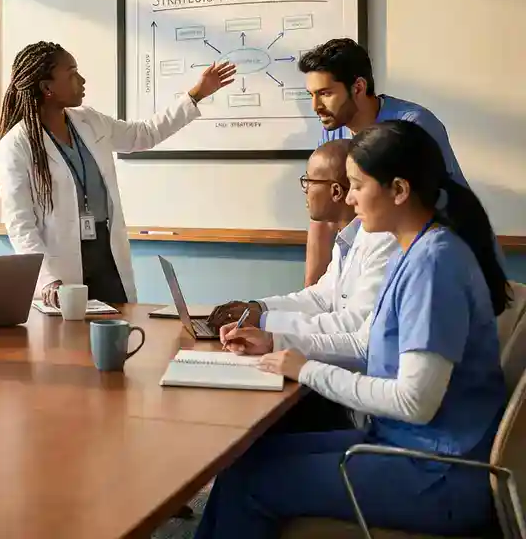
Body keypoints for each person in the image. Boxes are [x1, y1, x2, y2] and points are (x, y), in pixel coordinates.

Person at [196, 120, 510, 538]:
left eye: (358, 185)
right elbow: (369, 344)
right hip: (405, 448)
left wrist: (305, 369)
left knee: (255, 484)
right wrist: (275, 340)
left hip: (438, 473)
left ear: (398, 190)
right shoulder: (412, 250)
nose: (352, 198)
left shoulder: (434, 265)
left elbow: (416, 402)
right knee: (242, 461)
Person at [0, 41, 235, 307]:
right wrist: (47, 280)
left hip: (105, 252)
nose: (82, 80)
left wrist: (196, 95)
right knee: (69, 344)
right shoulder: (16, 145)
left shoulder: (88, 120)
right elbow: (20, 224)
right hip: (60, 266)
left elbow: (143, 134)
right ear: (47, 88)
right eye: (72, 74)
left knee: (117, 331)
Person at [299, 38, 469, 288]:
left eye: (325, 93)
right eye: (311, 95)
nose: (316, 106)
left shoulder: (413, 126)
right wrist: (312, 290)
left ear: (358, 87)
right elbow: (324, 211)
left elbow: (426, 213)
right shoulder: (333, 130)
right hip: (373, 262)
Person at [208, 139, 399, 336]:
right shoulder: (348, 236)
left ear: (335, 191)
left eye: (309, 181)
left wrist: (263, 321)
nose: (305, 190)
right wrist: (259, 307)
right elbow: (319, 298)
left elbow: (354, 325)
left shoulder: (383, 240)